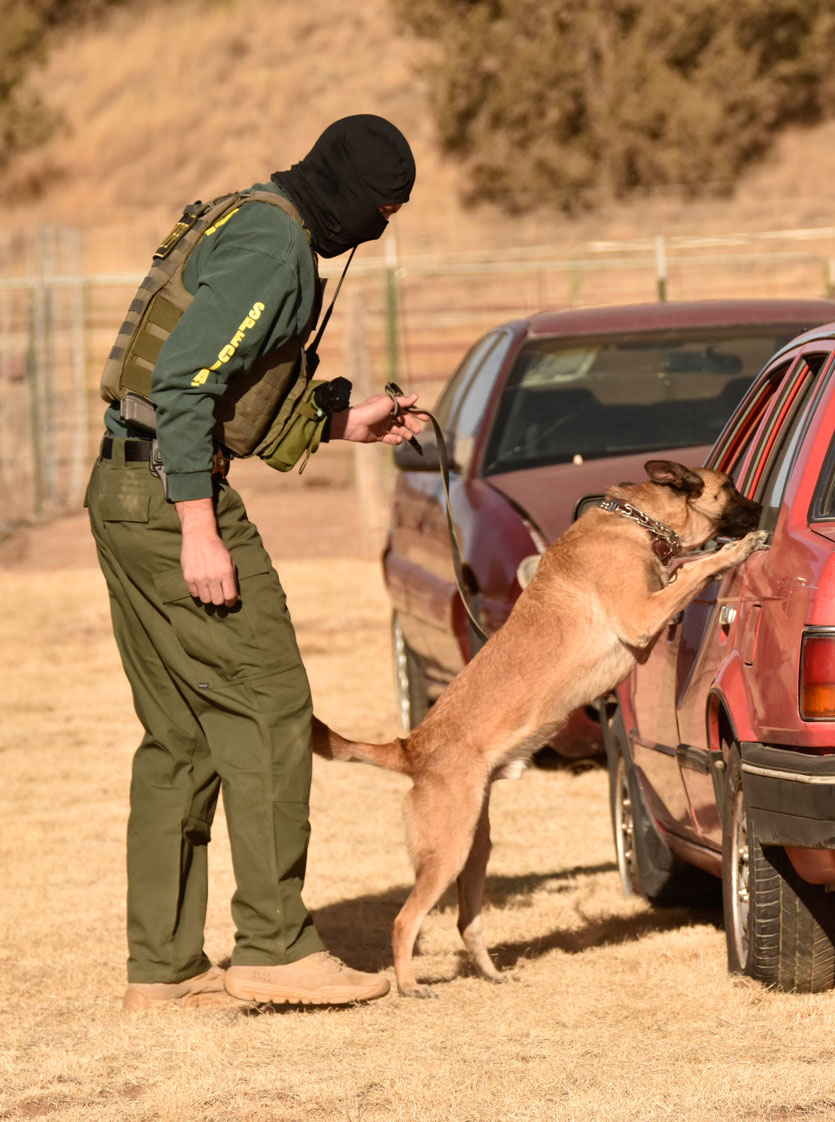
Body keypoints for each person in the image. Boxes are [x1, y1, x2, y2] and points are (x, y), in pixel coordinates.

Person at [85, 115, 422, 1010]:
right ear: (350, 195)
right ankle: (275, 946)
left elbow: (245, 399)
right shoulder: (274, 248)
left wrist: (355, 420)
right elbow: (186, 383)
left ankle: (163, 969)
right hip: (168, 501)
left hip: (125, 488)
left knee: (185, 735)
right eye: (382, 208)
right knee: (272, 704)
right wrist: (199, 525)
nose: (383, 224)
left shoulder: (253, 216)